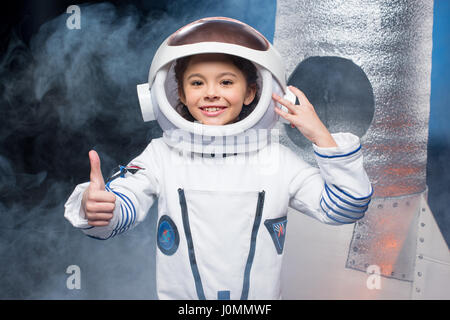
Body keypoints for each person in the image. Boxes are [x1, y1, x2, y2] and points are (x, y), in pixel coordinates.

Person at [64, 17, 373, 300]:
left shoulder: (277, 160)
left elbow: (347, 207)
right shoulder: (162, 155)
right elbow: (120, 208)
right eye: (197, 83)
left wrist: (320, 134)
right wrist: (96, 209)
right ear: (179, 95)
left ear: (252, 92)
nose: (211, 93)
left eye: (226, 82)